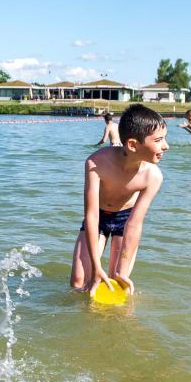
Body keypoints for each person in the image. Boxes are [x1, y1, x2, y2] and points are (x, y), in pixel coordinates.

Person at [70, 104, 168, 296]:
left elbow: (135, 223)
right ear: (132, 145)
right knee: (79, 282)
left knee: (118, 282)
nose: (166, 145)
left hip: (126, 221)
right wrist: (97, 267)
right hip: (98, 218)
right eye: (159, 140)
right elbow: (91, 216)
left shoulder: (153, 176)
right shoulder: (96, 163)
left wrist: (121, 270)